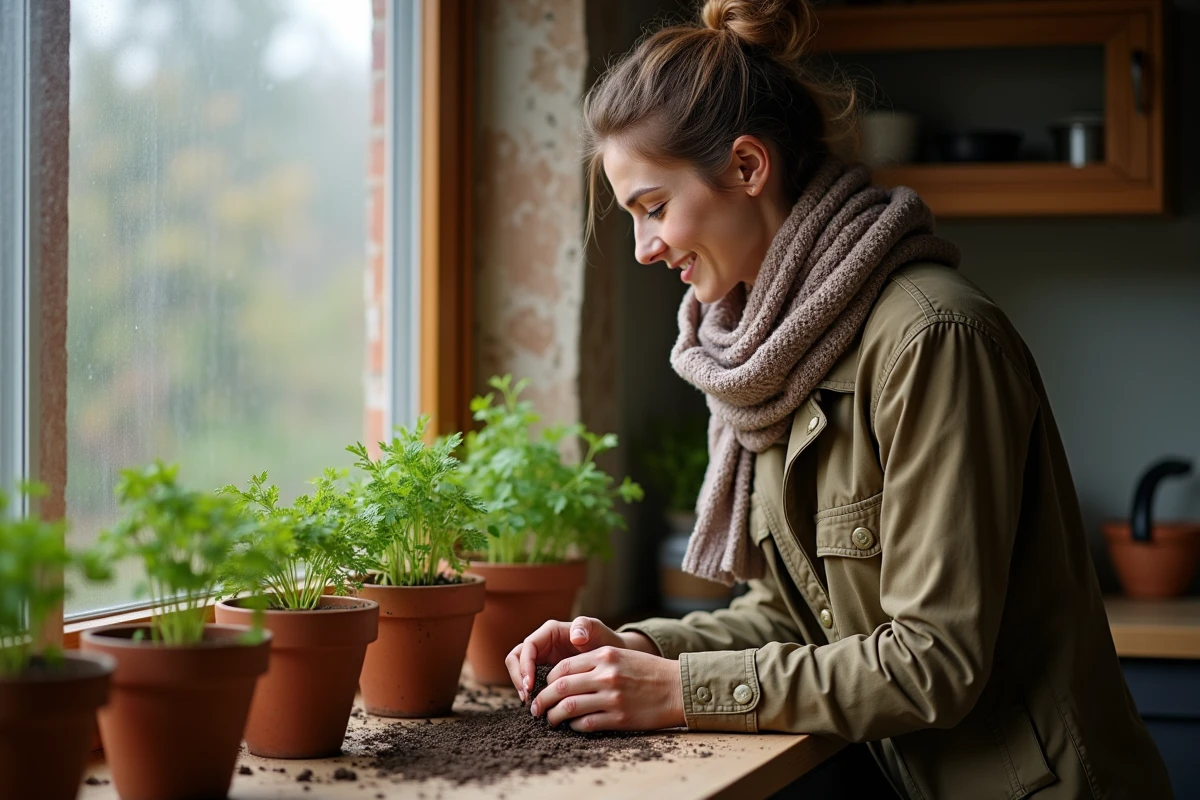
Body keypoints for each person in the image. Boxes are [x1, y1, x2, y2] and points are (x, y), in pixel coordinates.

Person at [504, 1, 1173, 797]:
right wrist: (641, 649)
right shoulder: (774, 356)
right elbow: (793, 617)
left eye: (652, 208)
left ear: (748, 168)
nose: (645, 248)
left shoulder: (933, 340)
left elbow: (935, 661)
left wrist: (683, 693)